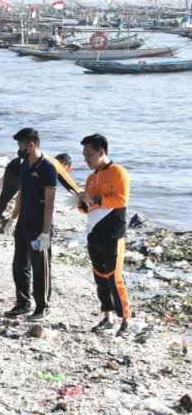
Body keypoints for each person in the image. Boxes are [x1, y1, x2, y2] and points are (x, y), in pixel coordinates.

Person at [78, 134, 132, 337]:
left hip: (113, 235)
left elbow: (121, 199)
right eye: (84, 155)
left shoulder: (118, 172)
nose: (86, 159)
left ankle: (126, 320)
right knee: (100, 279)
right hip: (94, 235)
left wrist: (95, 199)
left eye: (89, 155)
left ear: (102, 152)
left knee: (115, 279)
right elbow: (88, 208)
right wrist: (81, 203)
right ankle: (108, 317)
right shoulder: (91, 177)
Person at [4, 128, 57, 322]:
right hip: (24, 222)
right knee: (19, 264)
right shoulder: (25, 165)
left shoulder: (48, 169)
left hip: (39, 224)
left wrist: (45, 232)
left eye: (21, 145)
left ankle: (43, 306)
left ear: (31, 145)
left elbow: (50, 202)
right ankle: (23, 303)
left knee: (40, 267)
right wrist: (13, 218)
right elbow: (22, 193)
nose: (19, 149)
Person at [0, 153, 79, 237]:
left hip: (13, 165)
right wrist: (80, 196)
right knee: (30, 200)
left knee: (4, 198)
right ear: (63, 164)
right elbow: (68, 181)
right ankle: (24, 229)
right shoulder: (54, 164)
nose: (65, 171)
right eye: (66, 169)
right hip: (23, 171)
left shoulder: (45, 157)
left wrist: (3, 178)